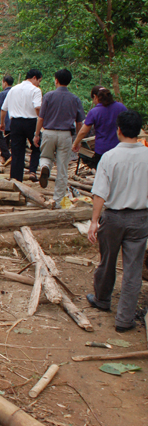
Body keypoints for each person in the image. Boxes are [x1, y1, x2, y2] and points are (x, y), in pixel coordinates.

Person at [86, 110, 148, 332]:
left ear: (119, 130)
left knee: (108, 260)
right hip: (141, 218)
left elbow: (100, 193)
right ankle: (124, 319)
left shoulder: (110, 157)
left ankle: (102, 299)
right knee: (133, 270)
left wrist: (94, 221)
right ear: (139, 131)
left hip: (113, 217)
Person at [35, 69, 85, 205]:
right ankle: (58, 202)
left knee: (45, 157)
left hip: (49, 133)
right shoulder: (75, 99)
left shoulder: (49, 96)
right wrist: (77, 141)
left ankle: (45, 167)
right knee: (62, 168)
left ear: (56, 80)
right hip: (66, 135)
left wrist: (36, 135)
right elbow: (80, 122)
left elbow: (41, 118)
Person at [0, 69, 43, 182]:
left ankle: (15, 178)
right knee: (37, 146)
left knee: (17, 151)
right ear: (34, 78)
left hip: (16, 123)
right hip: (31, 122)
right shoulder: (36, 90)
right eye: (39, 80)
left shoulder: (13, 89)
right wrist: (41, 121)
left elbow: (4, 109)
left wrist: (2, 123)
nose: (39, 83)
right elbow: (38, 107)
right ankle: (32, 170)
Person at [72, 86, 127, 168]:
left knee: (102, 176)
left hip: (102, 150)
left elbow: (84, 131)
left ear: (95, 97)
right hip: (119, 148)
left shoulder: (95, 111)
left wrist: (76, 143)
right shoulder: (121, 107)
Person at [0, 75, 14, 161]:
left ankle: (8, 156)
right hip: (12, 120)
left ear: (5, 83)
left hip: (3, 120)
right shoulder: (15, 92)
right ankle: (4, 156)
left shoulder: (2, 94)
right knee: (6, 139)